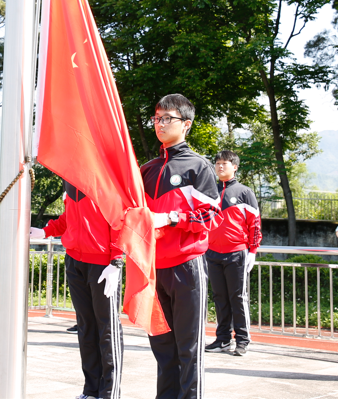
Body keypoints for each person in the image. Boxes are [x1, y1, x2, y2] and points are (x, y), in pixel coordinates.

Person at [142, 93, 221, 399]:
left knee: (189, 348)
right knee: (163, 348)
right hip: (154, 269)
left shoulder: (198, 167)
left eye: (167, 119)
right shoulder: (147, 170)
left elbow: (209, 216)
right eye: (156, 118)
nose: (160, 124)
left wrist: (172, 217)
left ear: (186, 124)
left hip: (187, 268)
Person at [31, 181, 124, 399]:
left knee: (107, 328)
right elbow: (68, 218)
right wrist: (46, 231)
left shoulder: (104, 177)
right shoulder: (70, 182)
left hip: (102, 264)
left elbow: (119, 219)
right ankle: (91, 390)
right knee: (86, 328)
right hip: (75, 260)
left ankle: (109, 392)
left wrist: (116, 259)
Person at [204, 149, 262, 357]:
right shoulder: (209, 191)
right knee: (219, 297)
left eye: (225, 163)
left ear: (235, 167)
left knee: (237, 297)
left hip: (236, 252)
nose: (220, 166)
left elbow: (254, 224)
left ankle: (243, 340)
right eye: (218, 163)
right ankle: (222, 339)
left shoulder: (245, 192)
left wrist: (252, 251)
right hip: (212, 252)